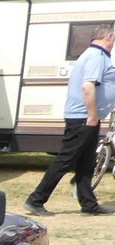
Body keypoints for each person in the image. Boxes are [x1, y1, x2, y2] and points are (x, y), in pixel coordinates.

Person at [25, 25, 115, 216]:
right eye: (114, 39)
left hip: (88, 117)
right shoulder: (95, 56)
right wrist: (92, 115)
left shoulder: (96, 56)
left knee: (86, 163)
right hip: (84, 117)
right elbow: (88, 87)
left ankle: (89, 205)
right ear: (109, 36)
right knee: (65, 160)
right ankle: (36, 199)